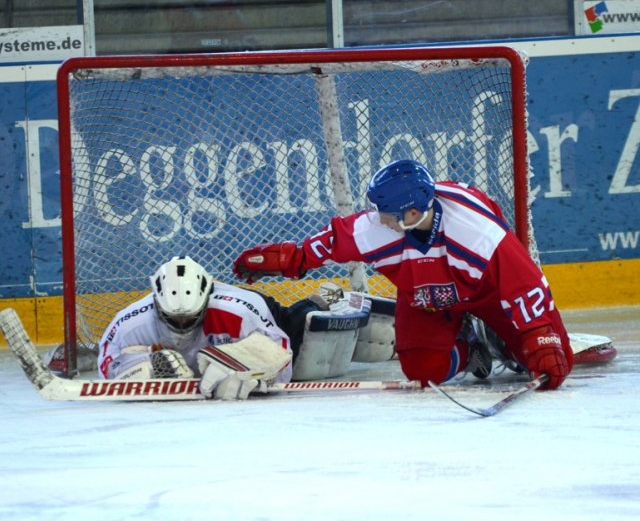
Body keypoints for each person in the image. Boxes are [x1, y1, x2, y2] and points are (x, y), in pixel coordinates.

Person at [233, 159, 574, 390]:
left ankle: (503, 339)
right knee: (421, 371)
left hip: (488, 293)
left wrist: (540, 338)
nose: (378, 218)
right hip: (427, 299)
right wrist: (283, 260)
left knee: (550, 365)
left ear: (412, 212)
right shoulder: (376, 228)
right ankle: (474, 350)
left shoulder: (478, 234)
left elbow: (528, 288)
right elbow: (319, 248)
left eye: (386, 213)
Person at [97, 256, 332, 400]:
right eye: (173, 319)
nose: (182, 325)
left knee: (297, 324)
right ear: (157, 305)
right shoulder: (131, 323)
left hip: (259, 308)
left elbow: (283, 353)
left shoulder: (238, 313)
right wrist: (144, 366)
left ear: (204, 303)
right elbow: (107, 362)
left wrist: (246, 364)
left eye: (190, 318)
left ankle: (320, 300)